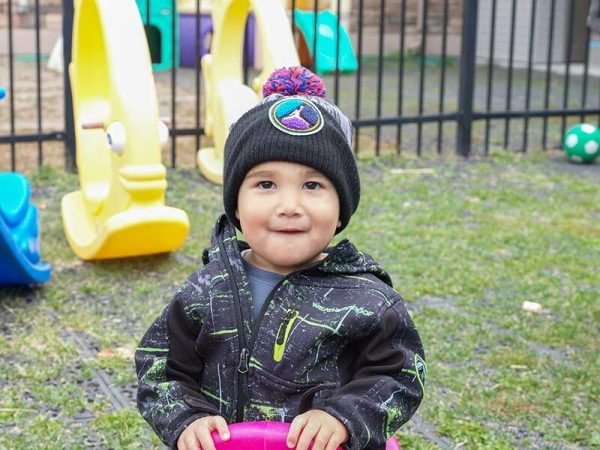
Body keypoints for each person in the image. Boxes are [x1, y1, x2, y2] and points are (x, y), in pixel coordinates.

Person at [135, 66, 426, 450]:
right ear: (236, 205)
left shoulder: (368, 301)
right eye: (266, 184)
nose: (289, 206)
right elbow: (160, 368)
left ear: (341, 209)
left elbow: (400, 376)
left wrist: (344, 415)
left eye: (312, 185)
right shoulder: (206, 290)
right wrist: (187, 417)